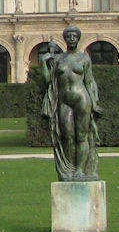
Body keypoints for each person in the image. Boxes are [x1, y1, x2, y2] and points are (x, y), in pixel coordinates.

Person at [40, 25, 103, 181]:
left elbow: (89, 82)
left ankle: (81, 170)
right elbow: (49, 80)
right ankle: (70, 169)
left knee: (82, 135)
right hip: (64, 100)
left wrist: (94, 103)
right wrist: (43, 63)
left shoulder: (84, 58)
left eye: (75, 36)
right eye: (69, 36)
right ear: (65, 39)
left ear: (78, 38)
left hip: (82, 98)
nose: (72, 38)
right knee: (67, 136)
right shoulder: (58, 59)